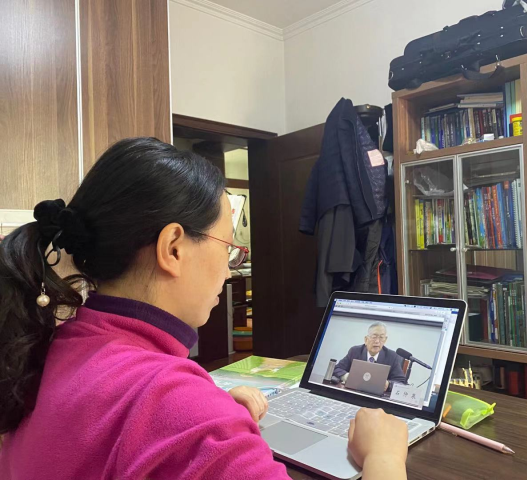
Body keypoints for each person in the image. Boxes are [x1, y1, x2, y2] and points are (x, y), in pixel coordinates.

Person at [0, 137, 408, 480]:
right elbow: (163, 416)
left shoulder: (56, 346)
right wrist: (384, 456)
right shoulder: (180, 407)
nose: (229, 271)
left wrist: (210, 410)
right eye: (228, 248)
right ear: (173, 248)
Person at [333, 322, 407, 391]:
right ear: (366, 339)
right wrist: (346, 376)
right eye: (374, 337)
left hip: (378, 397)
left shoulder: (392, 356)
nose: (377, 341)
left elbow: (402, 383)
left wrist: (388, 384)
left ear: (385, 340)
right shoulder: (355, 351)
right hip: (355, 392)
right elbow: (336, 369)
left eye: (381, 337)